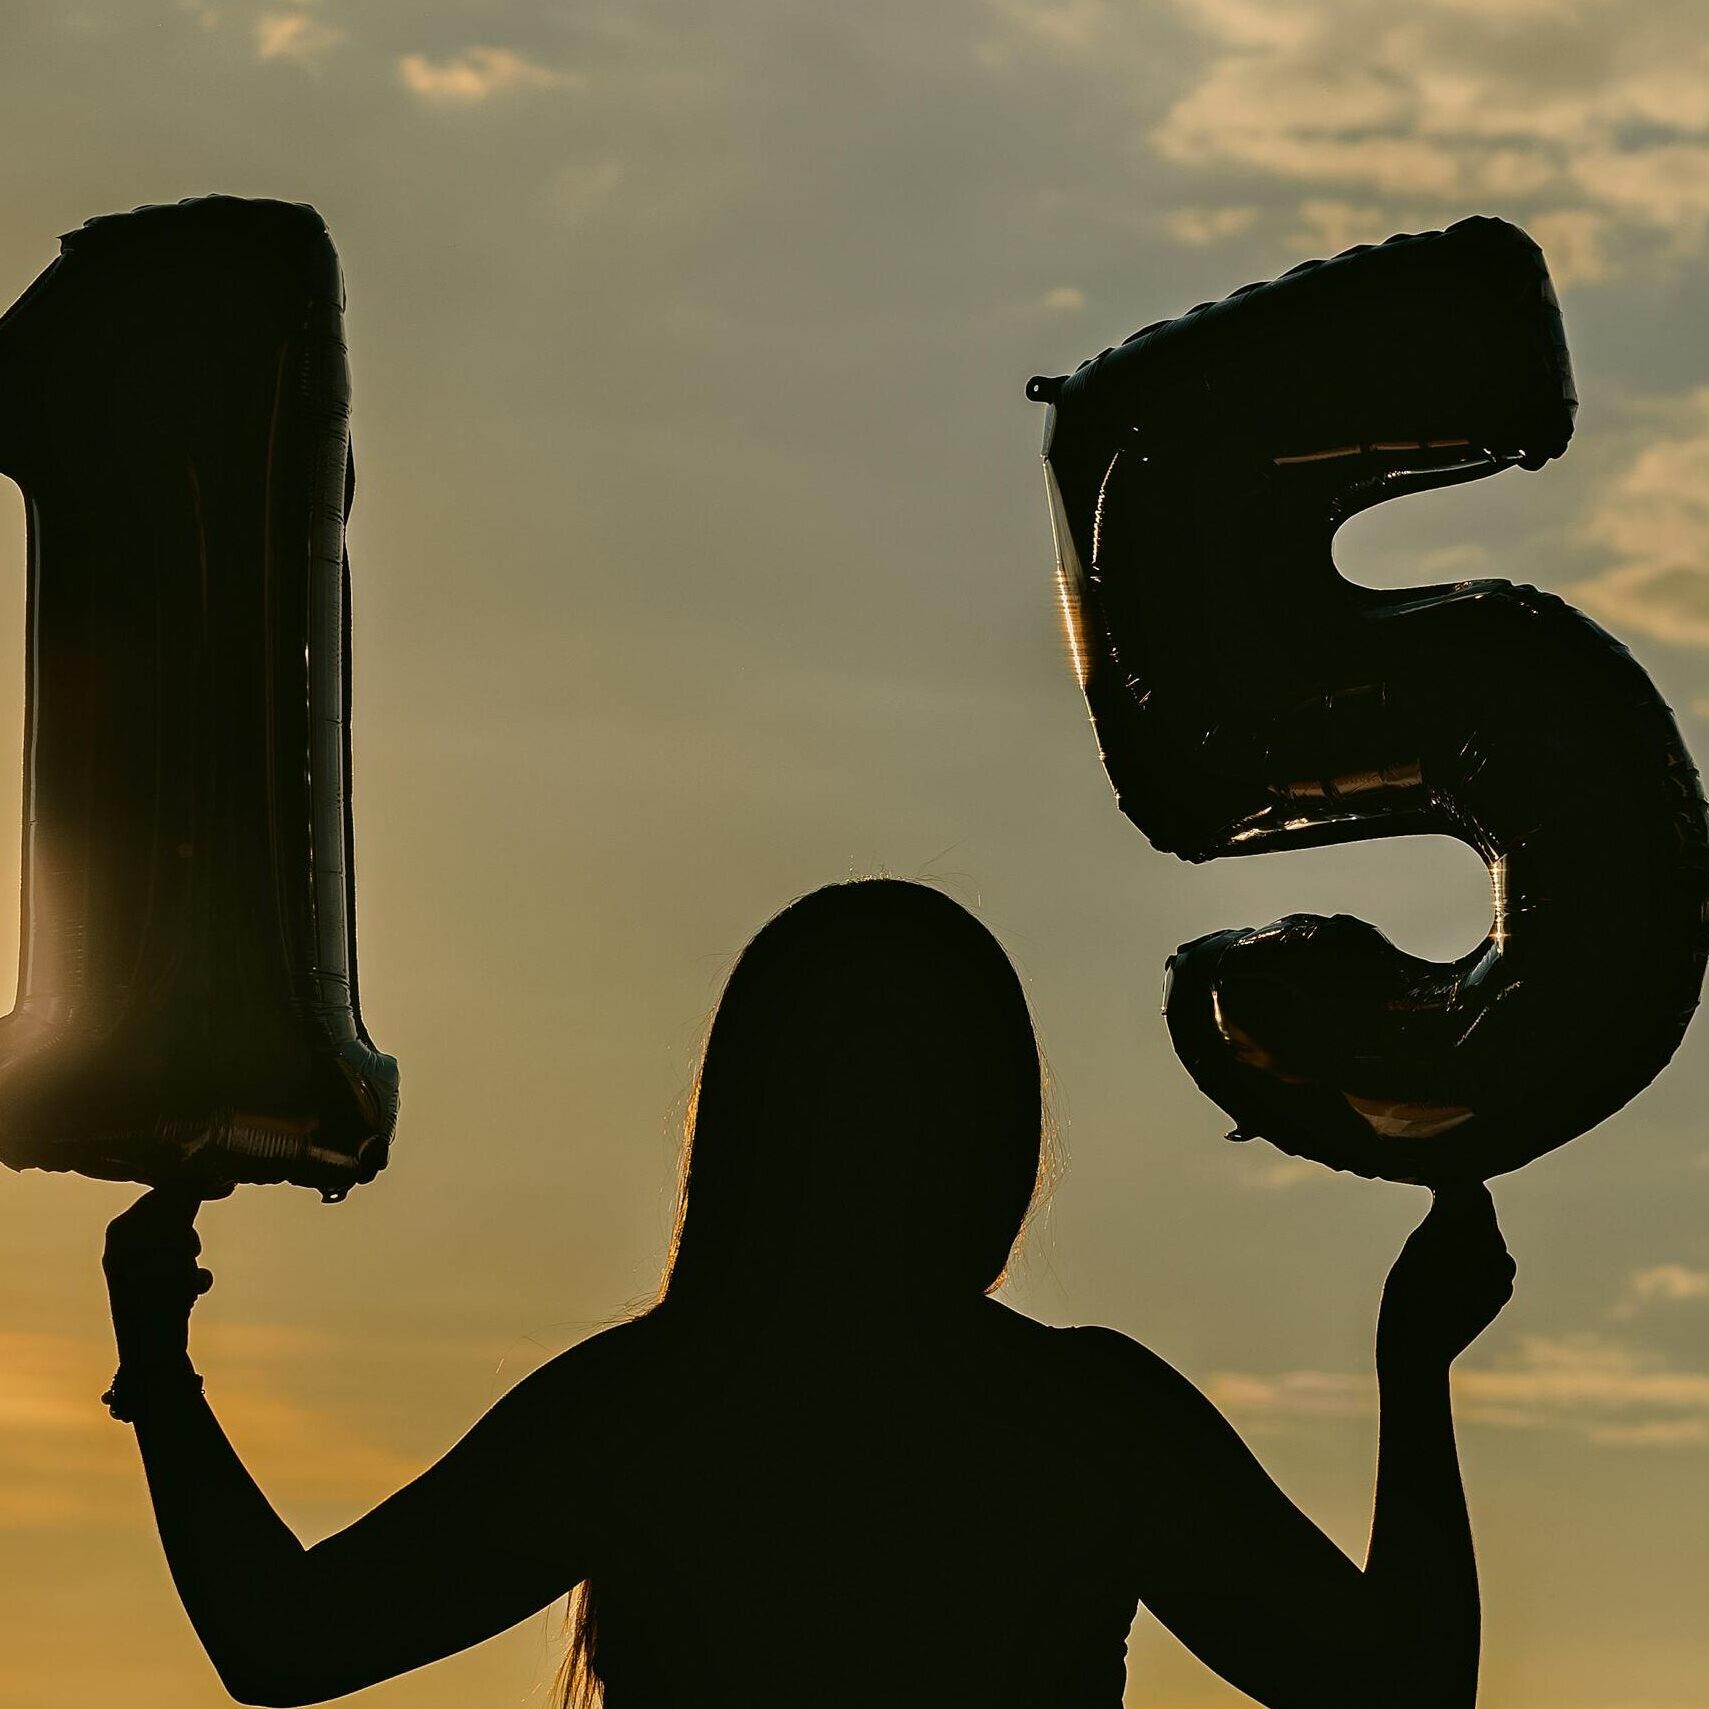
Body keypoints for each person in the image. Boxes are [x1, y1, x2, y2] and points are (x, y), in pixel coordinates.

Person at [101, 879, 1516, 1708]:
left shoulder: (646, 1411)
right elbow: (1397, 1691)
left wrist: (160, 1366)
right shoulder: (1084, 1420)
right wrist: (1412, 1362)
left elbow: (280, 1638)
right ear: (990, 1134)